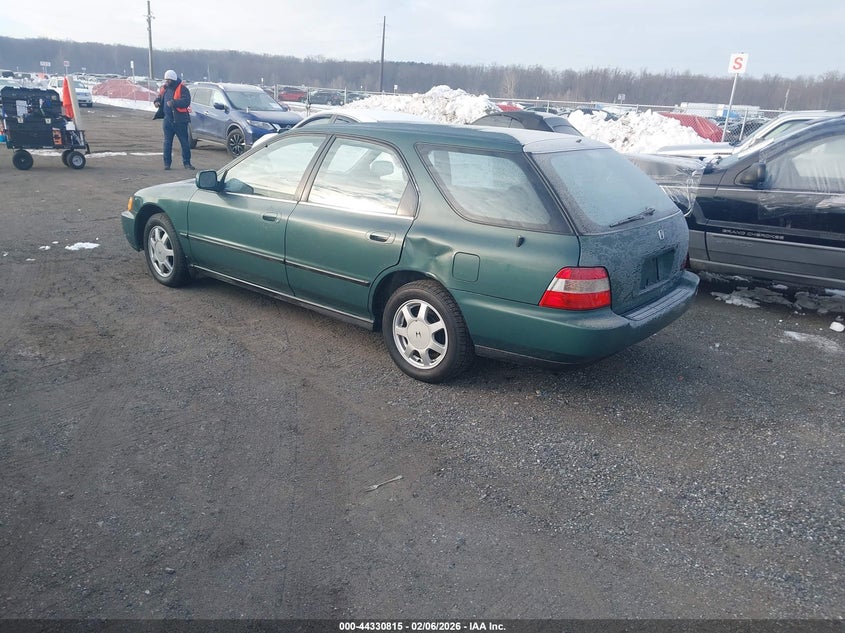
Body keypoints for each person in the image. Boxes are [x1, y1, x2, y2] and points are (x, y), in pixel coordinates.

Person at [153, 69, 194, 170]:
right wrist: (157, 102)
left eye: (168, 80)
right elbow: (159, 97)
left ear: (173, 79)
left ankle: (187, 163)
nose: (166, 82)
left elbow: (186, 101)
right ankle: (167, 164)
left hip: (180, 121)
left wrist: (174, 103)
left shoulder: (183, 89)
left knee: (184, 142)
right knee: (167, 143)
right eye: (165, 80)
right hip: (167, 120)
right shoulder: (164, 88)